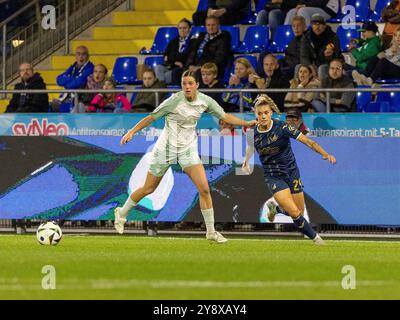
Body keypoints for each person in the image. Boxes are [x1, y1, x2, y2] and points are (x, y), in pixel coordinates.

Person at [114, 70, 258, 243]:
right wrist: (132, 132)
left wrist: (247, 122)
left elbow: (225, 116)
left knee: (204, 189)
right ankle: (121, 213)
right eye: (184, 84)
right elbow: (151, 117)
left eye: (190, 83)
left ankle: (211, 232)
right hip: (165, 149)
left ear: (197, 85)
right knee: (148, 189)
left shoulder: (205, 101)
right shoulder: (173, 101)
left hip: (187, 151)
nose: (187, 87)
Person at [242, 95, 336, 244]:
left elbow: (308, 141)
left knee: (298, 212)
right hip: (273, 176)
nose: (263, 116)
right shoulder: (252, 133)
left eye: (266, 112)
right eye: (259, 114)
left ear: (271, 112)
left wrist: (325, 154)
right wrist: (246, 161)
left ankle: (276, 209)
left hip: (292, 172)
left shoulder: (283, 127)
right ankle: (317, 239)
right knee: (294, 212)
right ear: (256, 115)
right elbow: (250, 147)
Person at [185, 16, 233, 81]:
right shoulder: (201, 37)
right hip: (196, 66)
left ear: (218, 25)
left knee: (198, 74)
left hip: (211, 68)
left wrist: (201, 67)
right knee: (178, 72)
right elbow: (192, 52)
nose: (211, 27)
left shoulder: (223, 39)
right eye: (208, 25)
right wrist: (189, 65)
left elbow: (219, 58)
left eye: (213, 25)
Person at [300, 14, 343, 80]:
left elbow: (336, 57)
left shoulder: (333, 37)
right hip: (312, 65)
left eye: (320, 24)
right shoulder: (306, 37)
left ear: (325, 26)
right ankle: (298, 89)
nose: (317, 27)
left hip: (328, 64)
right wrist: (311, 67)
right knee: (298, 67)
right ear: (311, 26)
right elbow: (303, 56)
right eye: (315, 24)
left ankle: (322, 89)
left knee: (322, 68)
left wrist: (328, 56)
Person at [52, 46, 94, 111]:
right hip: (68, 97)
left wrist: (67, 81)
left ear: (88, 56)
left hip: (80, 98)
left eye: (83, 54)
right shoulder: (73, 67)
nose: (81, 56)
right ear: (75, 56)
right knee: (52, 106)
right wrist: (73, 78)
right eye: (78, 54)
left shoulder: (90, 68)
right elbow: (58, 80)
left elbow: (79, 82)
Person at [155, 18, 196, 85]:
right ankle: (161, 87)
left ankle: (160, 87)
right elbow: (165, 57)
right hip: (172, 66)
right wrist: (174, 62)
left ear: (190, 29)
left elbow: (187, 56)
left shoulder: (194, 41)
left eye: (184, 28)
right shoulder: (174, 41)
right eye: (180, 28)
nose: (182, 30)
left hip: (183, 69)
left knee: (165, 76)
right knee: (158, 68)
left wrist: (172, 57)